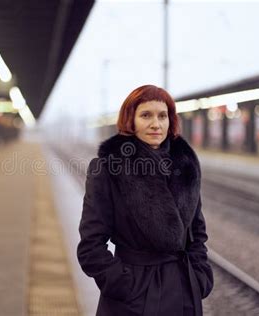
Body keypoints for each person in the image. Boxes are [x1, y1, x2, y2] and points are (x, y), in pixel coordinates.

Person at [77, 85, 213, 316]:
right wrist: (123, 284)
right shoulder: (108, 167)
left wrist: (200, 275)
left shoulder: (185, 166)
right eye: (145, 115)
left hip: (183, 294)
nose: (156, 124)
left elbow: (197, 233)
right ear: (130, 120)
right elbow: (90, 246)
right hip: (134, 298)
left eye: (162, 116)